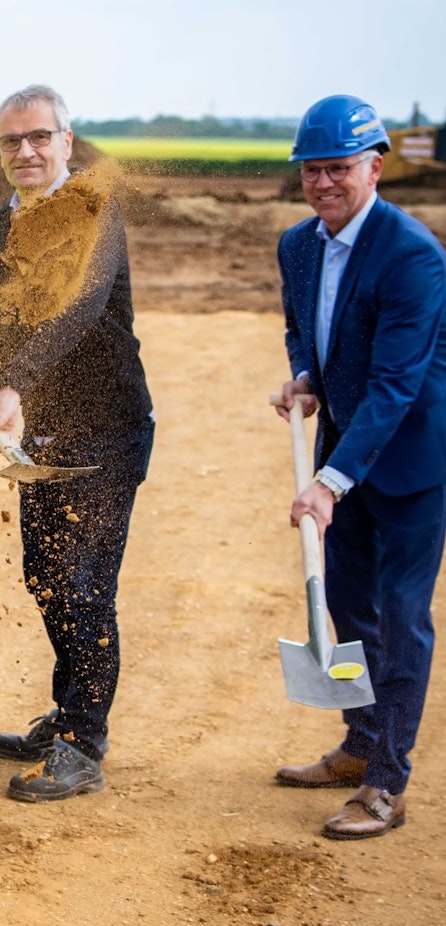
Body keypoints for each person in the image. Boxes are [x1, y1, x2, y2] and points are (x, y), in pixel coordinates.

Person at [0, 85, 154, 803]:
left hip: (108, 431)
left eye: (40, 137)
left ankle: (83, 744)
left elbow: (74, 309)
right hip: (46, 439)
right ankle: (69, 714)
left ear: (69, 142)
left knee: (85, 586)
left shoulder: (95, 213)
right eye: (12, 141)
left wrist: (17, 386)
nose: (26, 151)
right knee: (46, 576)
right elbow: (7, 319)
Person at [271, 94, 446, 840]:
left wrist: (329, 481)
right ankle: (358, 740)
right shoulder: (298, 245)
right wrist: (304, 376)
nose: (324, 183)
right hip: (345, 446)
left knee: (402, 618)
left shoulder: (413, 255)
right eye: (313, 170)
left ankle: (386, 782)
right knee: (346, 607)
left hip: (410, 462)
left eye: (339, 167)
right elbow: (302, 329)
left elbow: (395, 386)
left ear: (375, 167)